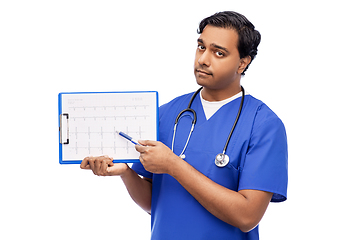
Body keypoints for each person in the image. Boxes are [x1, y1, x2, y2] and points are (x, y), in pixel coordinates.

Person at [80, 11, 288, 240]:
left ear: (242, 63)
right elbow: (153, 202)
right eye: (201, 47)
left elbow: (247, 217)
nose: (203, 60)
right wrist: (126, 174)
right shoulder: (166, 114)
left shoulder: (264, 125)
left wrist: (173, 165)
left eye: (219, 53)